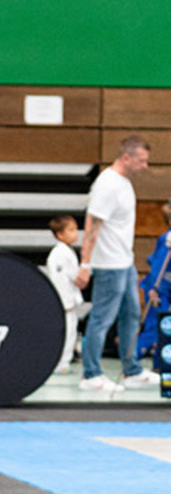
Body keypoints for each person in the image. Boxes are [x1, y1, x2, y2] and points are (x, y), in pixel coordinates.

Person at [74, 135, 160, 392]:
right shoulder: (107, 185)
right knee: (102, 319)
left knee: (132, 315)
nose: (145, 166)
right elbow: (92, 225)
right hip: (108, 265)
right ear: (126, 157)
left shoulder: (124, 183)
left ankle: (131, 370)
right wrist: (85, 264)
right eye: (141, 161)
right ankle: (91, 374)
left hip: (125, 262)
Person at [46, 216, 86, 375]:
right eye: (70, 230)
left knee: (71, 333)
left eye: (76, 229)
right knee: (67, 333)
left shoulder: (66, 252)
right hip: (64, 302)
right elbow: (67, 278)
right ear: (60, 234)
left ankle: (64, 363)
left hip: (68, 302)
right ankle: (61, 364)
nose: (75, 233)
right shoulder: (60, 254)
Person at [136, 216, 171, 362]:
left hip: (167, 287)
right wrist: (154, 289)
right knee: (156, 327)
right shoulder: (166, 240)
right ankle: (132, 361)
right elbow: (157, 267)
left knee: (165, 329)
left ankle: (160, 364)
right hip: (158, 289)